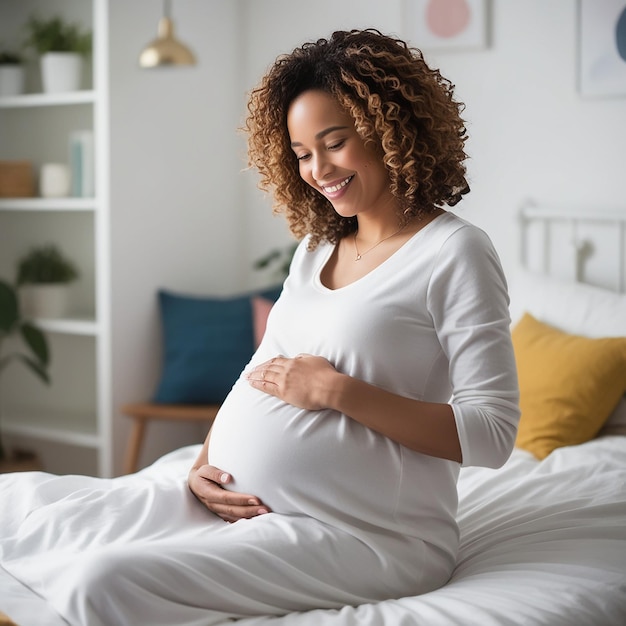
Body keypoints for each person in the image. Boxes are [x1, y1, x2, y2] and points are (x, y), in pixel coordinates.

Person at [0, 29, 519, 626]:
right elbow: (259, 370)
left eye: (335, 143)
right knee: (22, 506)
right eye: (301, 153)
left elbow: (492, 431)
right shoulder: (318, 245)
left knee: (99, 583)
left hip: (366, 534)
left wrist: (336, 391)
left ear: (389, 128)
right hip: (240, 501)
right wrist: (202, 464)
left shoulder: (455, 252)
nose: (318, 169)